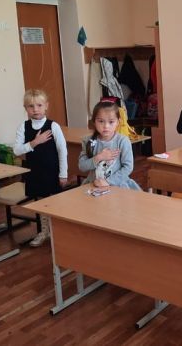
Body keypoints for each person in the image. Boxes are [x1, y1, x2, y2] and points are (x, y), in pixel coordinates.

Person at [13, 89, 68, 247]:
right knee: (41, 203)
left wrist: (63, 174)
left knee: (55, 203)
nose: (35, 109)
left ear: (46, 106)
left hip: (52, 172)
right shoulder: (23, 127)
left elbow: (62, 151)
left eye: (39, 105)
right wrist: (34, 142)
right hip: (35, 173)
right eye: (31, 106)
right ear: (25, 108)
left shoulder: (53, 126)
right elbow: (17, 150)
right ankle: (44, 231)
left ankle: (59, 232)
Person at [78, 101, 141, 190]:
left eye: (111, 122)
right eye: (101, 121)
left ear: (118, 122)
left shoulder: (122, 141)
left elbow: (128, 167)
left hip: (118, 185)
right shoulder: (88, 141)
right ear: (94, 122)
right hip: (94, 185)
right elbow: (82, 166)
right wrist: (99, 157)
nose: (106, 126)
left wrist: (108, 181)